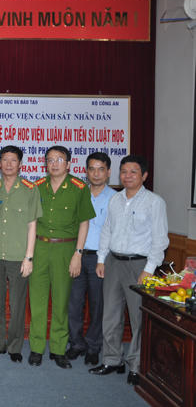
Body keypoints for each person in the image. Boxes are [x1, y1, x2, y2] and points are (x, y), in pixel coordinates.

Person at [89, 155, 168, 386]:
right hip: (113, 262)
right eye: (124, 171)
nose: (127, 176)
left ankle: (136, 365)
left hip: (139, 265)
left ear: (144, 175)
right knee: (110, 315)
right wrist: (101, 259)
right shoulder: (115, 199)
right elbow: (107, 231)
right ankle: (112, 360)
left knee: (138, 318)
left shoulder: (154, 202)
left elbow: (160, 240)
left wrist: (149, 269)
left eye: (133, 172)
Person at [29, 145, 95, 369]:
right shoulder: (38, 187)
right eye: (50, 160)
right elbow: (32, 222)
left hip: (66, 249)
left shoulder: (79, 188)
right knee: (37, 301)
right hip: (40, 247)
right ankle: (36, 348)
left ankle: (58, 349)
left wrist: (78, 253)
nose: (54, 163)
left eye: (59, 159)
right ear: (45, 164)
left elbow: (84, 222)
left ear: (68, 164)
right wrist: (29, 255)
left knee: (61, 302)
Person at [0, 145, 41, 363]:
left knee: (17, 305)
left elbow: (32, 225)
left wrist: (29, 257)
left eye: (13, 160)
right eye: (5, 160)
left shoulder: (30, 189)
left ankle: (15, 346)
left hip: (19, 256)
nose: (9, 164)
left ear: (20, 164)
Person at [66, 152, 116, 366]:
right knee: (74, 303)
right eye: (92, 169)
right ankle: (76, 343)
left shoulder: (116, 198)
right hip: (76, 256)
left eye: (101, 169)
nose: (96, 174)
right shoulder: (78, 193)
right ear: (86, 172)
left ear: (108, 172)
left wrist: (103, 259)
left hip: (101, 259)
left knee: (98, 304)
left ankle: (94, 346)